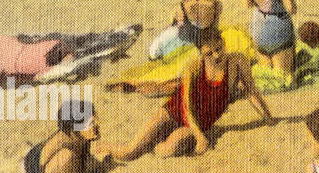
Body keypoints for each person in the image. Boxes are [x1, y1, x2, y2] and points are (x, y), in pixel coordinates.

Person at [112, 26, 272, 160]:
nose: (216, 55)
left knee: (166, 151)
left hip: (198, 121)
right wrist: (200, 138)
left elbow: (251, 91)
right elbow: (186, 106)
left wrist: (267, 117)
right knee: (130, 152)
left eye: (219, 49)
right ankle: (104, 148)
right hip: (174, 111)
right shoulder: (194, 67)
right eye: (209, 53)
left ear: (223, 43)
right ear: (201, 53)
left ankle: (151, 143)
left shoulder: (237, 62)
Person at [23, 104, 140, 173]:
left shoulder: (76, 134)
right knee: (71, 166)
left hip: (37, 155)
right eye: (90, 124)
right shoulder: (67, 157)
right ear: (73, 130)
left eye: (95, 119)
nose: (97, 126)